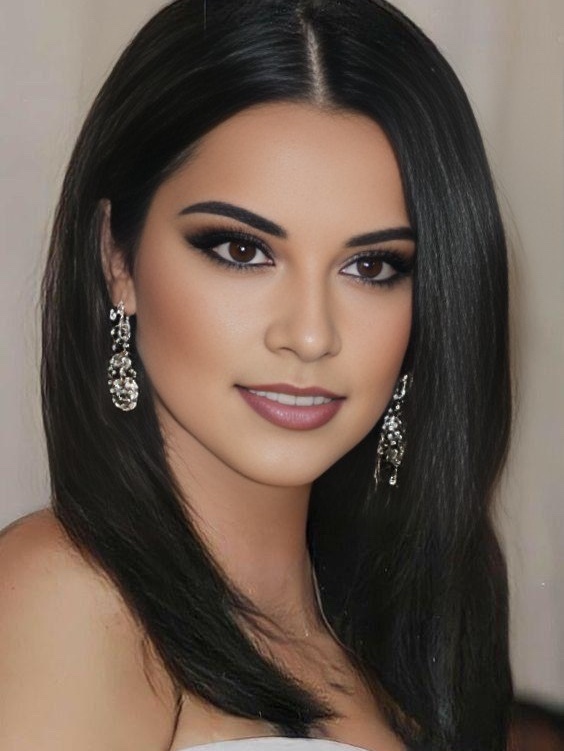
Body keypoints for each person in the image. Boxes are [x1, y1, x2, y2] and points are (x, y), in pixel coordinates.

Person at [0, 1, 513, 750]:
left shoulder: (415, 639)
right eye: (242, 251)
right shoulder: (68, 599)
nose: (309, 334)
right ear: (117, 258)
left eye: (372, 267)